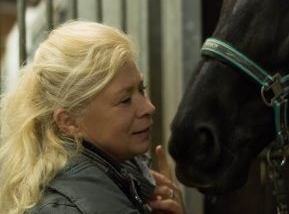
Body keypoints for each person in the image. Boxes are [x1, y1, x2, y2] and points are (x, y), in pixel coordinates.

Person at [0, 20, 185, 214]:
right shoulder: (65, 208)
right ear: (69, 121)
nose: (149, 107)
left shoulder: (124, 179)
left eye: (141, 89)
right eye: (125, 100)